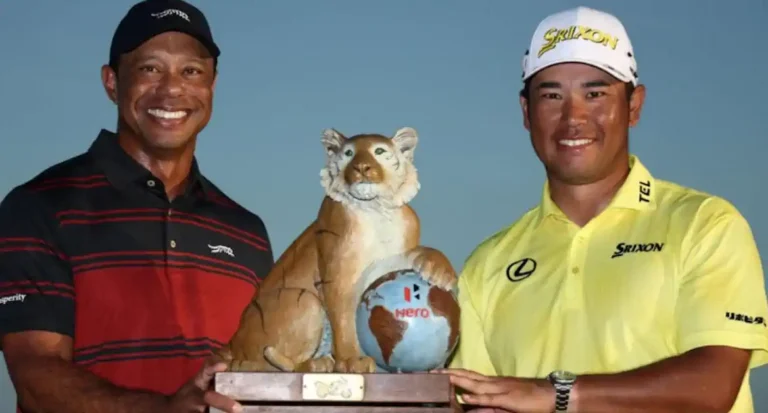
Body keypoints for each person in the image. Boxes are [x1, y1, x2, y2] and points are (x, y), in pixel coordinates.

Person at [438, 6, 768, 413]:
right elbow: (473, 400)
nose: (573, 118)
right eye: (552, 96)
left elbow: (712, 385)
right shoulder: (487, 264)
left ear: (634, 106)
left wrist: (558, 395)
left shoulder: (706, 224)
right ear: (526, 112)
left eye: (595, 94)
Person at [0, 1, 274, 412]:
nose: (172, 89)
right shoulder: (39, 206)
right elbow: (36, 378)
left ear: (212, 86)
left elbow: (266, 372)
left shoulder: (246, 232)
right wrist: (165, 409)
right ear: (112, 82)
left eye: (191, 71)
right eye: (150, 68)